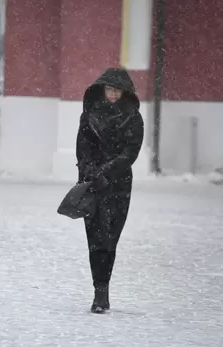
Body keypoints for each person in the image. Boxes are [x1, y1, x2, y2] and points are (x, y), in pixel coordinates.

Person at [76, 68, 144, 313]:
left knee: (110, 239)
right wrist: (92, 173)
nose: (113, 94)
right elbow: (82, 150)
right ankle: (99, 292)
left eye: (117, 90)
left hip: (119, 185)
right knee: (95, 240)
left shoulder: (133, 118)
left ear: (125, 92)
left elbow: (130, 153)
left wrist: (107, 170)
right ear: (102, 89)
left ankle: (104, 286)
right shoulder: (89, 116)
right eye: (109, 89)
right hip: (93, 185)